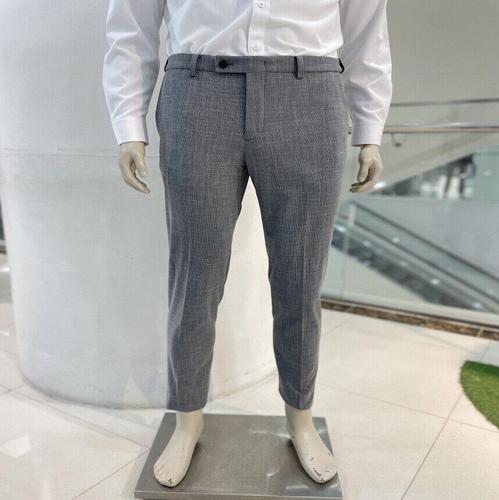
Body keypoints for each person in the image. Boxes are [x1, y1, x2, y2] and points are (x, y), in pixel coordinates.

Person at [102, 0, 393, 487]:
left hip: (310, 92)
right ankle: (187, 419)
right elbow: (131, 27)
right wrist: (128, 125)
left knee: (301, 280)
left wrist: (370, 130)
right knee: (194, 280)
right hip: (197, 91)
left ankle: (300, 417)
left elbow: (367, 32)